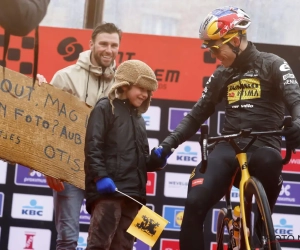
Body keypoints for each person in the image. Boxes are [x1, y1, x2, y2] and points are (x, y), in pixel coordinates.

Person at [152, 6, 300, 250]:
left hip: (264, 147)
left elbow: (296, 100)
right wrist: (167, 146)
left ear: (235, 40)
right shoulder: (221, 74)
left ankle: (263, 234)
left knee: (269, 161)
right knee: (194, 203)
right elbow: (196, 115)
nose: (212, 55)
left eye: (215, 48)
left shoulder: (273, 64)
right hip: (228, 149)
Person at [44, 22, 122, 250]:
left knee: (104, 239)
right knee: (67, 238)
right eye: (104, 44)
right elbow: (48, 123)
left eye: (114, 45)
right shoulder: (65, 76)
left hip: (104, 172)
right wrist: (50, 166)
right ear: (91, 45)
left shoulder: (122, 84)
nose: (109, 50)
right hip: (68, 168)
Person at [84, 59, 167, 250]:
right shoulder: (105, 107)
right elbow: (92, 146)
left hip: (134, 196)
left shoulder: (139, 118)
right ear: (125, 84)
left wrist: (155, 161)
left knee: (124, 247)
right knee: (99, 245)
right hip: (108, 193)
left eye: (149, 91)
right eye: (141, 88)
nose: (145, 95)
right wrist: (100, 177)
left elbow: (140, 160)